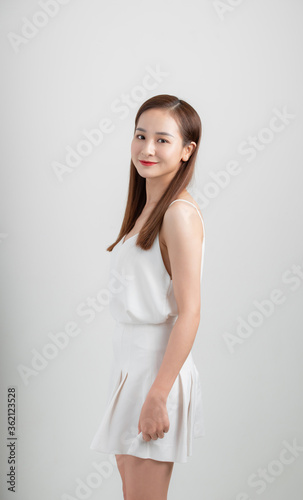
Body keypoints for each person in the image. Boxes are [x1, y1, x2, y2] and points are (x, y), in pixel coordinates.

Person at [90, 94, 206, 500]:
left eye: (162, 140)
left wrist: (158, 395)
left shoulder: (178, 214)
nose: (147, 149)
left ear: (187, 151)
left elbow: (190, 313)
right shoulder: (147, 208)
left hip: (156, 374)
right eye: (141, 136)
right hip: (130, 370)